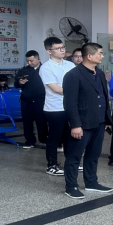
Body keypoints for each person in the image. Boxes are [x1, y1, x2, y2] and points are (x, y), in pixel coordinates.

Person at [62, 43, 113, 199]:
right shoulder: (73, 75)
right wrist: (75, 125)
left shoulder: (100, 73)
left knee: (93, 154)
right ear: (89, 56)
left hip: (99, 121)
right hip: (82, 123)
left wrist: (107, 119)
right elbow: (70, 102)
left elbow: (103, 97)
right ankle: (71, 186)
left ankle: (91, 182)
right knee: (74, 156)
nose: (102, 56)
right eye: (100, 53)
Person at [39, 37, 75, 176]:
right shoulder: (46, 68)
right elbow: (56, 89)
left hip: (70, 107)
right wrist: (76, 92)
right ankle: (52, 165)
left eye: (63, 47)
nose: (62, 50)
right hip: (55, 108)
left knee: (70, 137)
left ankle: (71, 163)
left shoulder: (70, 65)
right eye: (58, 48)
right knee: (54, 138)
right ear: (49, 51)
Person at [14, 50, 48, 149]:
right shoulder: (23, 70)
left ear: (38, 59)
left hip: (41, 100)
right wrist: (20, 82)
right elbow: (16, 84)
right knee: (27, 122)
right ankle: (29, 141)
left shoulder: (45, 69)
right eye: (27, 61)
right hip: (26, 100)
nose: (29, 63)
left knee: (42, 121)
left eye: (31, 61)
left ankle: (44, 139)